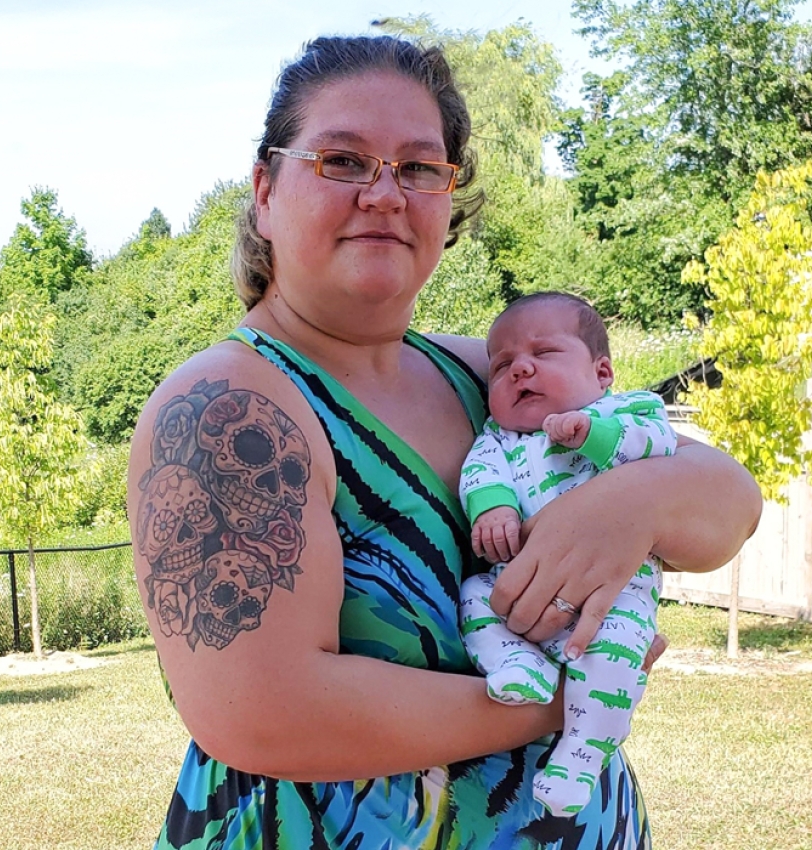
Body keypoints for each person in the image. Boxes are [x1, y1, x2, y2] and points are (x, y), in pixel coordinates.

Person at [126, 35, 763, 849]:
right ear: (264, 192)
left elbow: (730, 508)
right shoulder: (227, 408)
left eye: (420, 168)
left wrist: (636, 501)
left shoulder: (487, 373)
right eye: (343, 161)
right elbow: (265, 716)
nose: (385, 194)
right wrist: (580, 699)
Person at [456, 292, 678, 820]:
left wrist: (595, 434)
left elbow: (657, 449)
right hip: (514, 586)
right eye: (502, 365)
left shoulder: (627, 410)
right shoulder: (500, 438)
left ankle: (580, 755)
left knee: (615, 657)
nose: (520, 369)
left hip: (613, 596)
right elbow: (479, 474)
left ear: (602, 371)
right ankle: (516, 662)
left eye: (544, 353)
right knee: (473, 597)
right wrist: (494, 510)